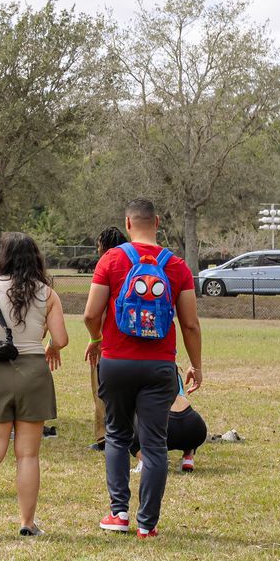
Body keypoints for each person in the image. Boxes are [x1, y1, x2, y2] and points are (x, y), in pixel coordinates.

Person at [83, 199, 202, 539]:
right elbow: (190, 324)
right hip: (159, 365)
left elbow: (91, 314)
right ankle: (147, 523)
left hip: (116, 362)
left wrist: (97, 339)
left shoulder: (111, 260)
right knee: (154, 444)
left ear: (128, 223)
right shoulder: (177, 266)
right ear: (158, 222)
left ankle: (118, 513)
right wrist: (196, 365)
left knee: (117, 435)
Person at [0, 234, 68, 539]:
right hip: (34, 373)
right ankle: (27, 523)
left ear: (3, 256)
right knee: (28, 455)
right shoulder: (47, 293)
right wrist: (48, 344)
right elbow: (61, 339)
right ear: (35, 258)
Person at [87, 225, 127, 451]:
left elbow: (94, 312)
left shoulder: (106, 264)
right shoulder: (135, 264)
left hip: (108, 340)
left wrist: (95, 338)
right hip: (136, 339)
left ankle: (104, 436)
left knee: (101, 388)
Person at [129, 389, 208, 472]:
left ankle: (147, 460)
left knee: (125, 425)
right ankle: (188, 458)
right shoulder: (172, 379)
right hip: (194, 427)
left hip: (165, 428)